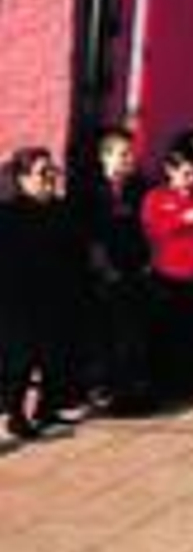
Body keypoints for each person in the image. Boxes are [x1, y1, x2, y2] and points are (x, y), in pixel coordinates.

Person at [0, 148, 84, 438]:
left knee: (54, 355)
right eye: (42, 172)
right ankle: (15, 414)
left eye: (52, 171)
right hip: (17, 299)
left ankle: (47, 410)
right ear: (22, 178)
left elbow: (74, 253)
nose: (50, 177)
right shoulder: (8, 213)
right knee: (21, 359)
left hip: (55, 295)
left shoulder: (61, 209)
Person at [141, 142, 193, 402]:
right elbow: (153, 231)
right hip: (167, 276)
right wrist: (186, 218)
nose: (191, 180)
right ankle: (168, 386)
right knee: (169, 334)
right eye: (186, 173)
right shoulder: (156, 198)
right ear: (170, 171)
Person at [78, 126, 153, 412]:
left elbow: (149, 228)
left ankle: (131, 391)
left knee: (134, 333)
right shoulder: (91, 190)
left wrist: (148, 263)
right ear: (104, 156)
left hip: (137, 270)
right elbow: (89, 233)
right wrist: (104, 267)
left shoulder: (139, 188)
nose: (129, 159)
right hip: (105, 273)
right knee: (107, 334)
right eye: (122, 154)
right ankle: (104, 390)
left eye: (131, 154)